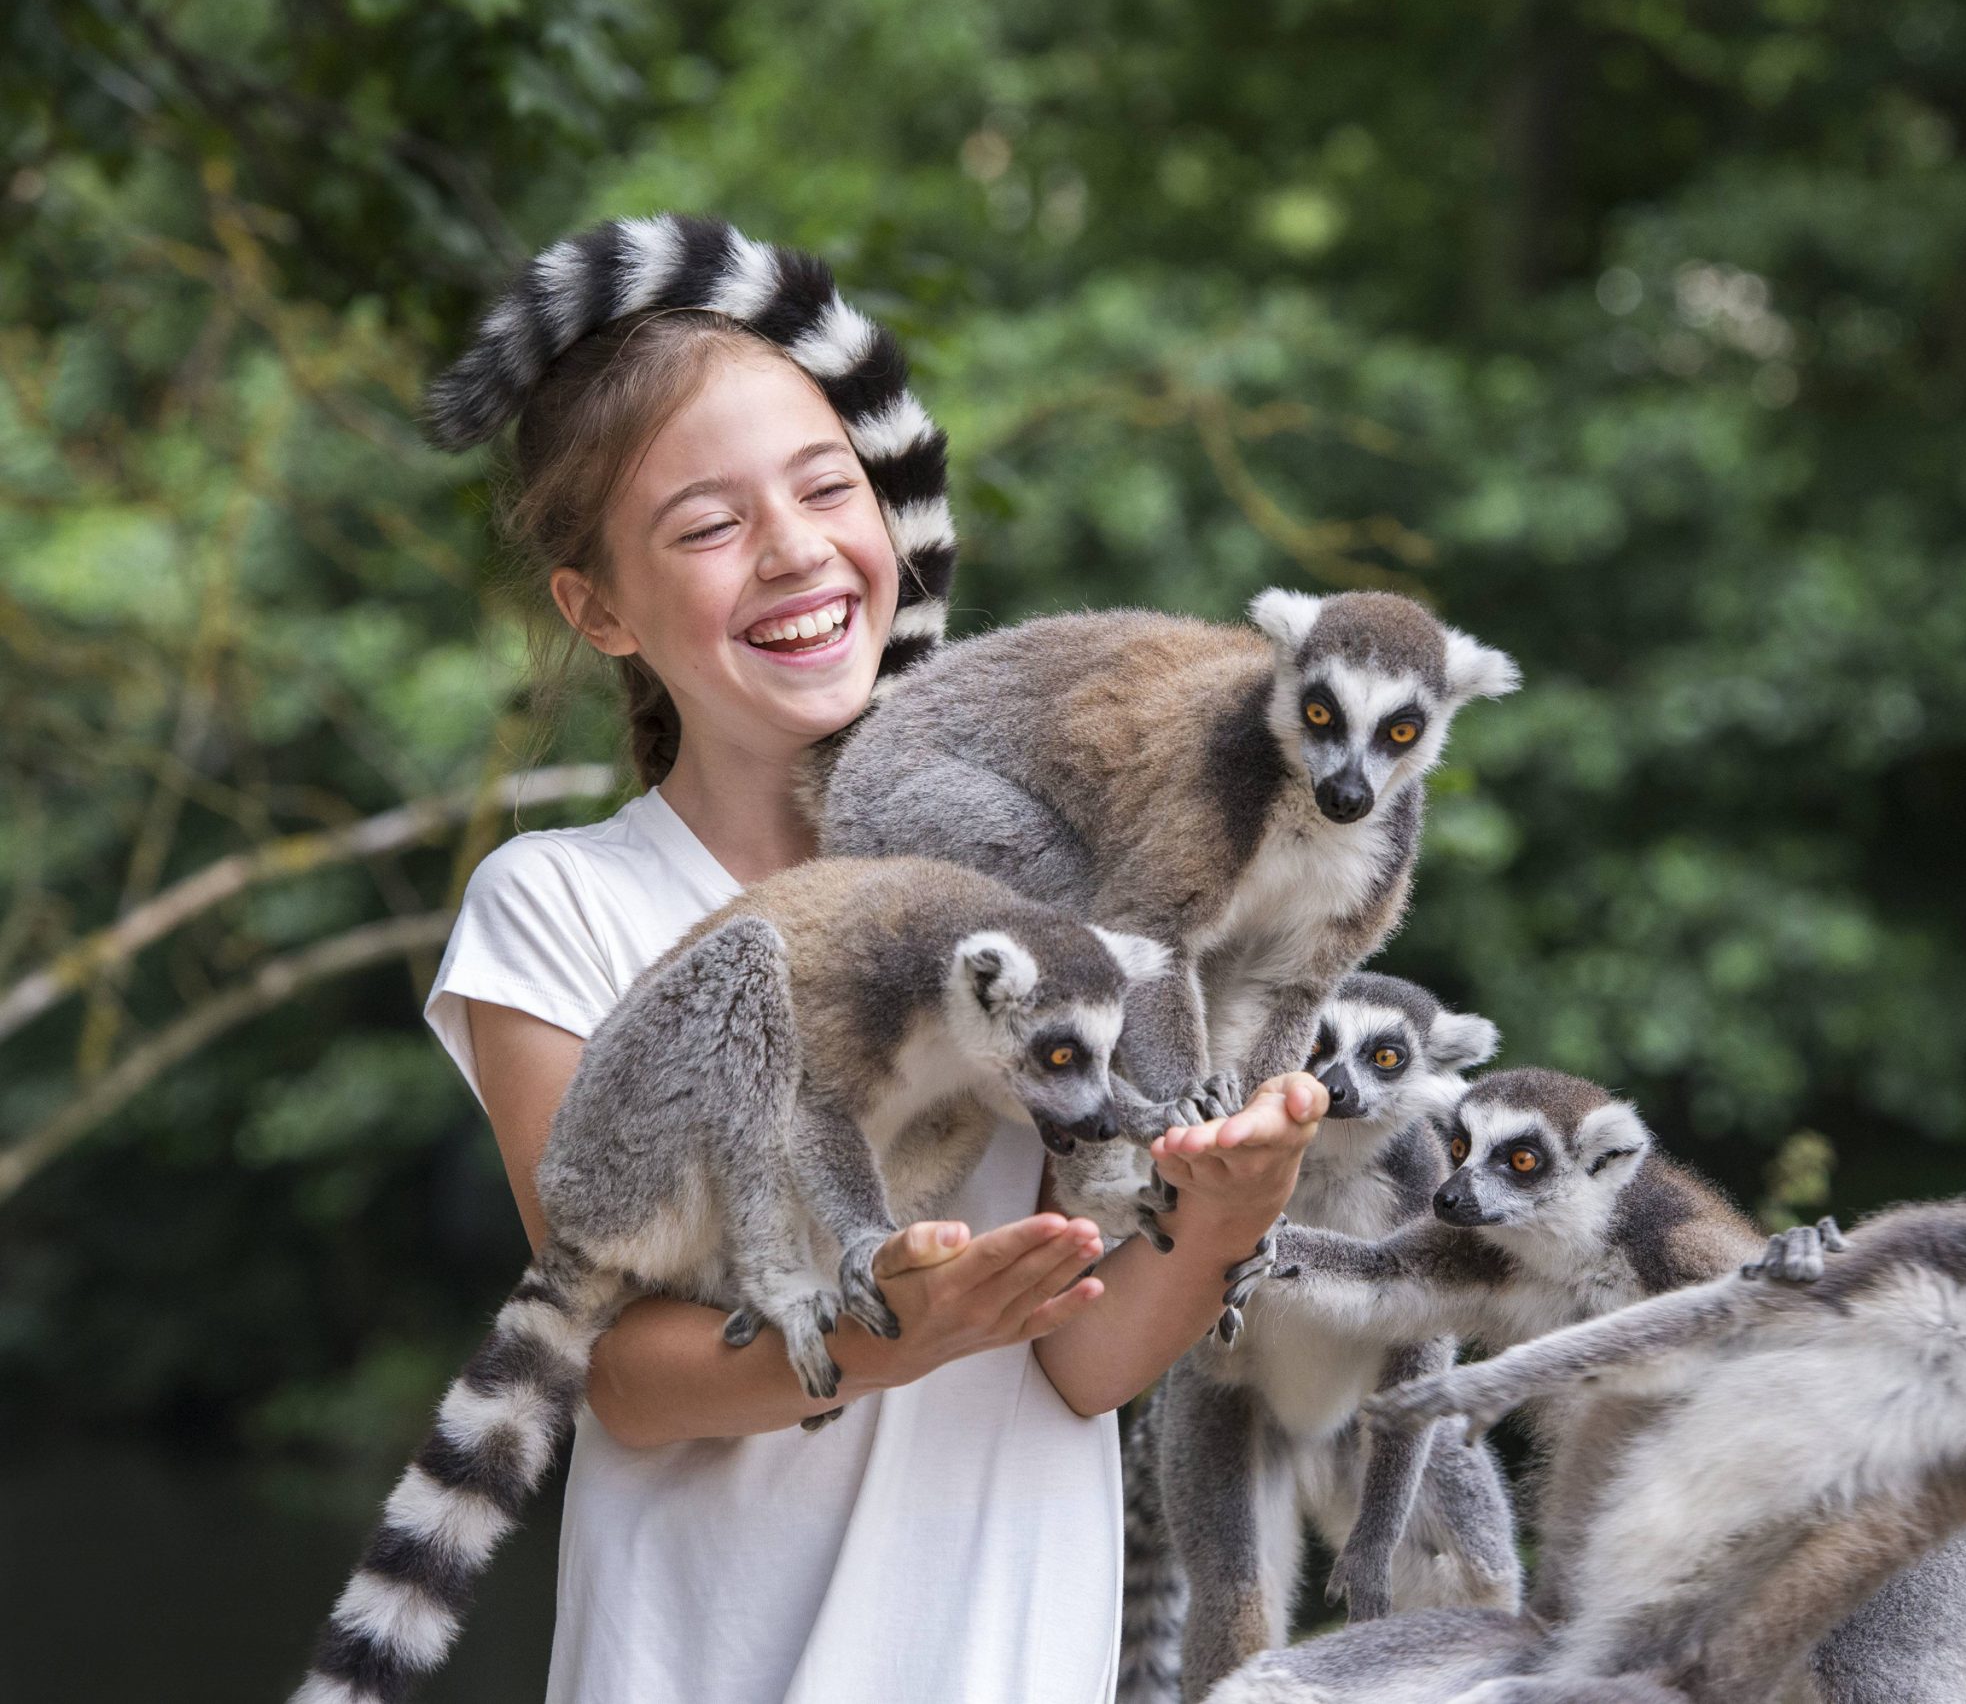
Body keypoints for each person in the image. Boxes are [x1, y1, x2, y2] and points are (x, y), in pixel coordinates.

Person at [421, 236, 1319, 1704]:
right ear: (599, 611)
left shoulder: (1043, 908)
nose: (793, 549)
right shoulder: (565, 903)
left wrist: (1223, 1213)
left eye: (831, 487)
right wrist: (885, 1335)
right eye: (710, 525)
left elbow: (1087, 1368)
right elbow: (623, 1371)